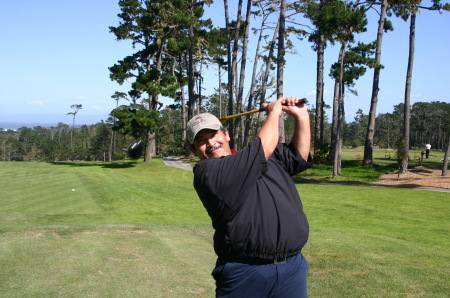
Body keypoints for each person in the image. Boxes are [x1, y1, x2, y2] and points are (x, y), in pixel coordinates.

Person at [187, 97, 313, 297]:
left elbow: (299, 155)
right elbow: (263, 148)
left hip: (292, 268)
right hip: (245, 272)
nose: (211, 143)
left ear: (226, 134)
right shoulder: (207, 172)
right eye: (201, 141)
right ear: (194, 150)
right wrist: (274, 112)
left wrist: (301, 115)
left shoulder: (260, 157)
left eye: (214, 134)